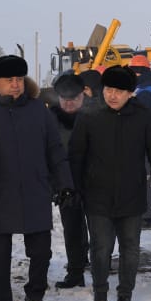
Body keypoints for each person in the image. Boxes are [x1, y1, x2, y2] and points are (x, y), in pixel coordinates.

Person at [0, 55, 71, 301]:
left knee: (41, 251)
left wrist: (64, 182)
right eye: (9, 81)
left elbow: (54, 148)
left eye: (19, 80)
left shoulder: (39, 109)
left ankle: (35, 294)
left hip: (34, 188)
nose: (15, 85)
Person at [69, 65, 151, 301]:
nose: (113, 95)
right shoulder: (90, 117)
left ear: (130, 93)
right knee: (101, 248)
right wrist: (75, 188)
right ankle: (100, 293)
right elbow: (76, 155)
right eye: (109, 90)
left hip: (132, 194)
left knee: (130, 249)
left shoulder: (142, 116)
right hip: (97, 195)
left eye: (119, 91)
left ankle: (125, 294)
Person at [49, 73, 92, 289]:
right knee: (72, 229)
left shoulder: (95, 116)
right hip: (66, 184)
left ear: (83, 96)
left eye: (73, 99)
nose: (68, 103)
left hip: (94, 182)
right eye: (64, 99)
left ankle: (100, 267)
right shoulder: (49, 119)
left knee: (99, 229)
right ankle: (76, 272)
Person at [129, 55, 151, 230]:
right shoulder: (150, 87)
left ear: (138, 72)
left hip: (144, 140)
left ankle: (145, 217)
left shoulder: (144, 91)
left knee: (142, 176)